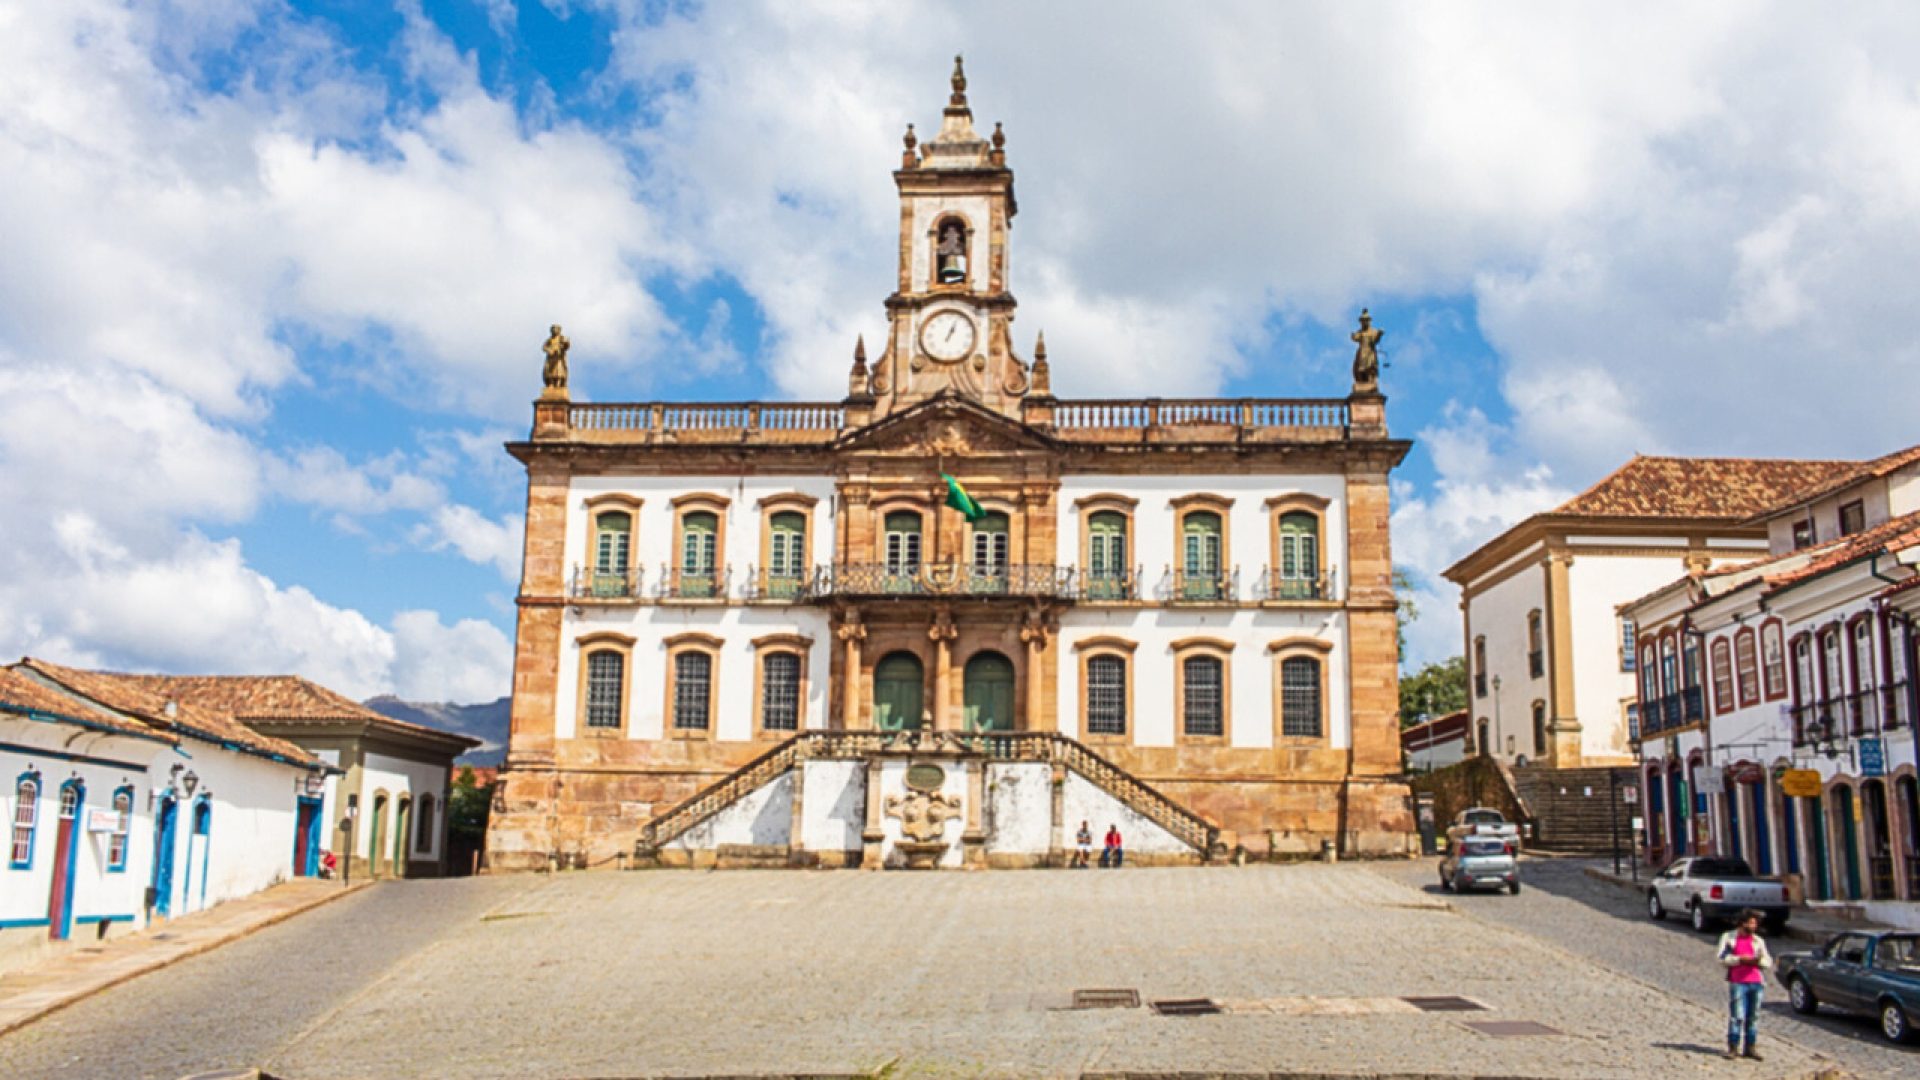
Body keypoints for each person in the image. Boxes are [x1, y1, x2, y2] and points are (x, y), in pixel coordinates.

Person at [1717, 908, 1773, 1060]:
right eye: (1751, 923)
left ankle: (1750, 1047)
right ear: (1743, 923)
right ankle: (1733, 1046)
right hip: (1738, 982)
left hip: (1756, 982)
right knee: (1737, 1016)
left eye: (1755, 924)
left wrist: (1758, 961)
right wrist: (1740, 959)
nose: (1754, 926)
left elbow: (1768, 961)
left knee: (1753, 1016)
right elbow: (1722, 958)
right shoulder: (1729, 938)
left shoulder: (1758, 941)